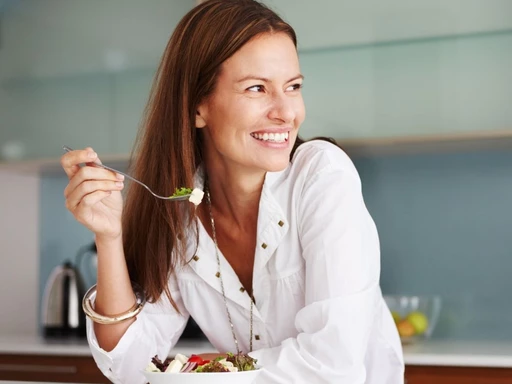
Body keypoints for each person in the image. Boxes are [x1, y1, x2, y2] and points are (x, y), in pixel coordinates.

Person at [61, 0, 404, 383]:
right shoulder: (177, 209)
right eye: (257, 88)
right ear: (196, 107)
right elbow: (128, 365)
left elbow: (333, 367)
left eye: (293, 87)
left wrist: (213, 367)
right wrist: (109, 237)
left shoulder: (322, 175)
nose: (286, 112)